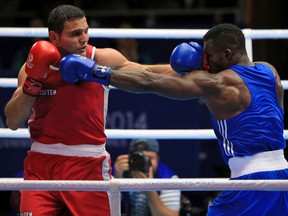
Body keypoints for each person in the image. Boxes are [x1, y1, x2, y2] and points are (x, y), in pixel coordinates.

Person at [59, 23, 288, 215]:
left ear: (226, 54)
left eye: (208, 55)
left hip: (251, 182)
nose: (204, 60)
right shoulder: (270, 71)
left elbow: (151, 83)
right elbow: (154, 73)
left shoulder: (218, 83)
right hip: (283, 177)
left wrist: (97, 73)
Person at [4, 4, 180, 216]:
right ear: (54, 37)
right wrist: (33, 82)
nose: (84, 38)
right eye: (76, 33)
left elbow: (147, 72)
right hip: (41, 163)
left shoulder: (99, 58)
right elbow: (13, 121)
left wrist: (190, 68)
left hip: (88, 165)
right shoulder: (31, 67)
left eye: (86, 31)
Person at [113, 139, 180, 216]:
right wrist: (115, 181)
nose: (142, 163)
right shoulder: (118, 172)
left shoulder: (168, 178)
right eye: (138, 158)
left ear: (158, 158)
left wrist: (149, 190)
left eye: (148, 159)